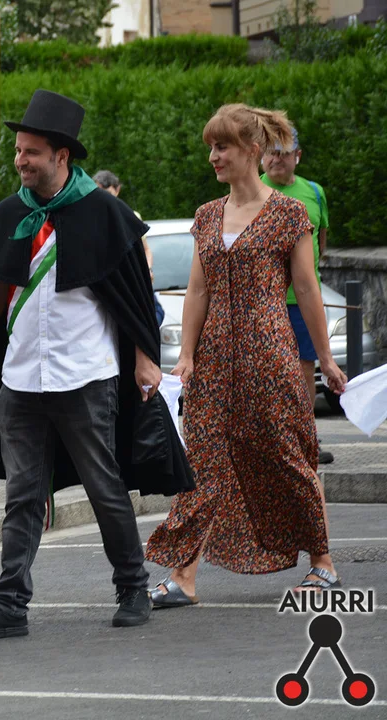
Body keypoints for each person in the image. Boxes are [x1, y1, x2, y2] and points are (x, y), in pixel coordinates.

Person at [0, 90, 193, 642]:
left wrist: (144, 358)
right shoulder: (11, 214)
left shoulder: (104, 214)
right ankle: (9, 605)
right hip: (20, 380)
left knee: (104, 488)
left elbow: (134, 296)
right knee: (22, 496)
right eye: (18, 150)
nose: (20, 160)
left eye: (31, 152)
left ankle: (132, 587)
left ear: (61, 156)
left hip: (84, 377)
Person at [145, 104, 347, 607]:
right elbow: (197, 290)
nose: (213, 156)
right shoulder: (207, 215)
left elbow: (307, 288)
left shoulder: (288, 213)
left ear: (253, 151)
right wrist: (186, 355)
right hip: (214, 357)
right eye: (211, 147)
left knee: (286, 453)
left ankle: (322, 562)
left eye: (223, 147)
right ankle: (183, 576)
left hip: (270, 353)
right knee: (203, 458)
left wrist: (325, 358)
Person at [261, 127, 334, 466]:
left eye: (284, 153)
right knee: (267, 371)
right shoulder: (254, 190)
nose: (277, 159)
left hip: (303, 302)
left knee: (306, 367)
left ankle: (306, 440)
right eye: (271, 152)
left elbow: (320, 242)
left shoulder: (314, 193)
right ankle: (271, 441)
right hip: (267, 301)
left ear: (298, 156)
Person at [95, 169, 164, 326]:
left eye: (108, 194)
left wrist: (147, 270)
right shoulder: (92, 219)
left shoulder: (132, 216)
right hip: (111, 285)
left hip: (132, 282)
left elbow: (146, 250)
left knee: (154, 314)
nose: (104, 199)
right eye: (99, 193)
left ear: (117, 190)